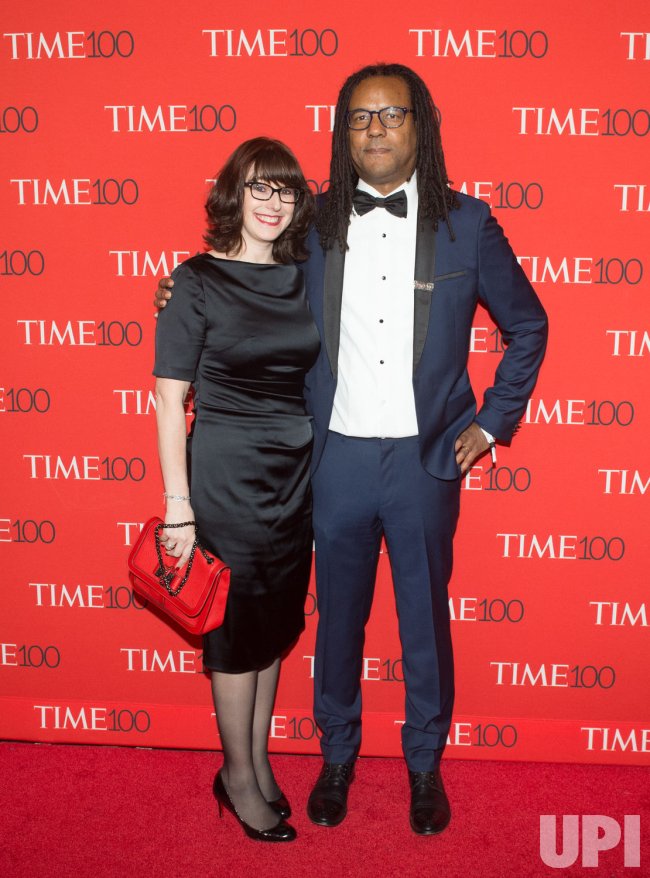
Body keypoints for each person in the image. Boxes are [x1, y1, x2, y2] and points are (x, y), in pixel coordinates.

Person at [155, 63, 548, 836]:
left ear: (420, 127)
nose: (374, 129)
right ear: (342, 133)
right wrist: (180, 292)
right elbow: (247, 271)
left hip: (427, 459)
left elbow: (529, 324)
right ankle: (336, 755)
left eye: (391, 115)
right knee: (337, 619)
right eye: (359, 117)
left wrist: (494, 422)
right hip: (329, 460)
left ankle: (425, 766)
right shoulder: (312, 220)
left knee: (423, 620)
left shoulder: (468, 223)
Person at [153, 137, 319, 843]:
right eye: (258, 188)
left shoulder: (308, 274)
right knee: (232, 632)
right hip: (224, 472)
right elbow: (168, 400)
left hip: (297, 473)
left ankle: (255, 758)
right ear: (232, 196)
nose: (271, 203)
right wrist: (179, 505)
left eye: (283, 190)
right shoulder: (194, 281)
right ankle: (238, 778)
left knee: (274, 626)